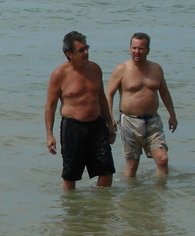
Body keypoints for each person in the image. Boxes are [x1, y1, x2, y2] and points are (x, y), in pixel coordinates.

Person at [45, 30, 116, 190]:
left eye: (86, 48)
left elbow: (102, 99)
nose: (86, 52)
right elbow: (50, 105)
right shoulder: (59, 74)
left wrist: (110, 124)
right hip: (73, 128)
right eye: (81, 50)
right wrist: (50, 135)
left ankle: (101, 209)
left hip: (97, 127)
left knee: (106, 170)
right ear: (68, 53)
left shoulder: (95, 69)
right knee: (71, 174)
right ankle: (72, 211)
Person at [107, 32, 178, 177]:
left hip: (153, 121)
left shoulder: (156, 69)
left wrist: (172, 115)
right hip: (130, 121)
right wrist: (110, 119)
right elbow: (109, 94)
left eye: (141, 48)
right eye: (134, 48)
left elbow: (164, 92)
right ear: (130, 48)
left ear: (148, 50)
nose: (137, 52)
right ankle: (132, 197)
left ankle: (160, 195)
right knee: (132, 165)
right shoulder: (122, 69)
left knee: (162, 159)